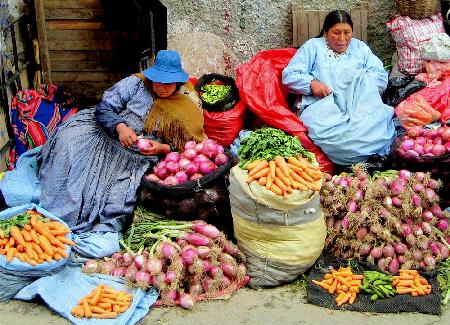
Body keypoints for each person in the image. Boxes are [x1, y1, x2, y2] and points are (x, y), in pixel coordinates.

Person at [38, 50, 206, 233]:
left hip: (136, 155)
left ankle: (100, 227)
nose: (161, 87)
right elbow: (105, 107)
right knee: (69, 144)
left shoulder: (187, 103)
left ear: (178, 81)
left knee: (114, 194)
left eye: (167, 83)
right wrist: (120, 127)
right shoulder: (136, 83)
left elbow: (187, 145)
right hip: (106, 134)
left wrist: (163, 148)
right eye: (157, 81)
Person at [282, 10, 395, 166]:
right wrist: (312, 84)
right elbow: (290, 75)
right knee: (338, 141)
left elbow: (381, 77)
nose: (342, 39)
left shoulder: (359, 48)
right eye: (336, 33)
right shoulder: (313, 47)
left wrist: (360, 84)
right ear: (326, 32)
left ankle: (366, 157)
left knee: (378, 131)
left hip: (360, 107)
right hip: (324, 108)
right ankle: (351, 158)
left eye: (347, 33)